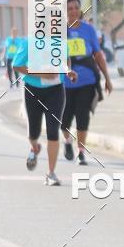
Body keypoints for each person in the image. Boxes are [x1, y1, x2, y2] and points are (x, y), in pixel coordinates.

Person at [12, 38, 77, 186]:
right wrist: (41, 74)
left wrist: (68, 72)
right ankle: (35, 148)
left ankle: (51, 173)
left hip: (55, 91)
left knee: (53, 129)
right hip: (32, 90)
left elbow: (64, 62)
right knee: (33, 132)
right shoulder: (28, 42)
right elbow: (17, 65)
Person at [62, 0, 113, 164]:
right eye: (69, 9)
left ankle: (81, 151)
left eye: (76, 8)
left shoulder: (89, 30)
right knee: (64, 120)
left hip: (87, 79)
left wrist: (107, 78)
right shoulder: (59, 31)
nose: (73, 11)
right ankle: (68, 141)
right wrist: (67, 69)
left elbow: (98, 55)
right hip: (65, 83)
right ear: (65, 12)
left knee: (82, 116)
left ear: (80, 10)